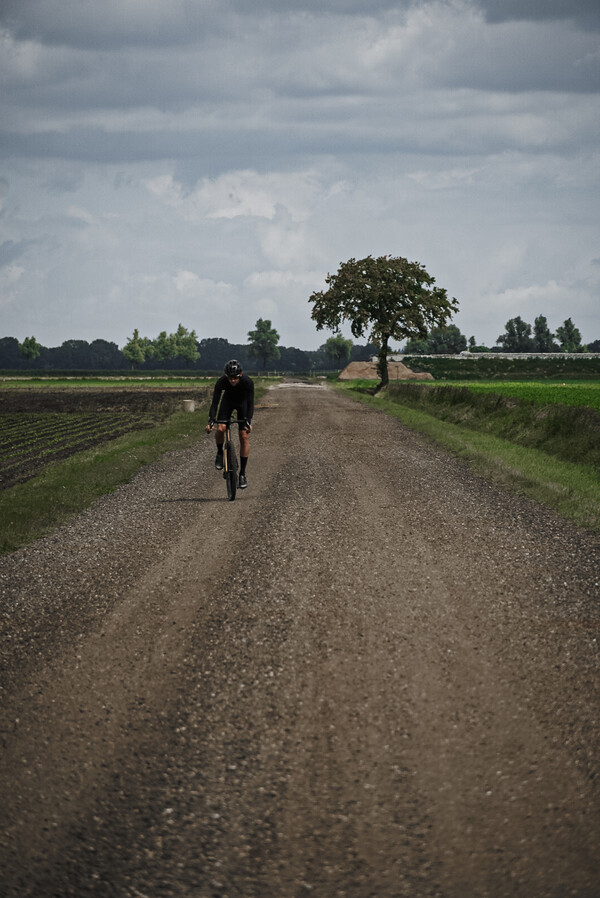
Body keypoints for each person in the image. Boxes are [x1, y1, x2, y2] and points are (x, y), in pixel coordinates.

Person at [205, 360, 254, 489]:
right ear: (226, 376)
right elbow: (215, 403)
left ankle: (242, 474)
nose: (232, 381)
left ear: (240, 375)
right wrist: (211, 420)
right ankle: (220, 453)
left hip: (242, 404)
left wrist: (248, 421)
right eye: (230, 378)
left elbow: (250, 403)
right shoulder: (221, 382)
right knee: (220, 428)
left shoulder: (247, 382)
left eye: (235, 378)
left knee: (244, 436)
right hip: (228, 402)